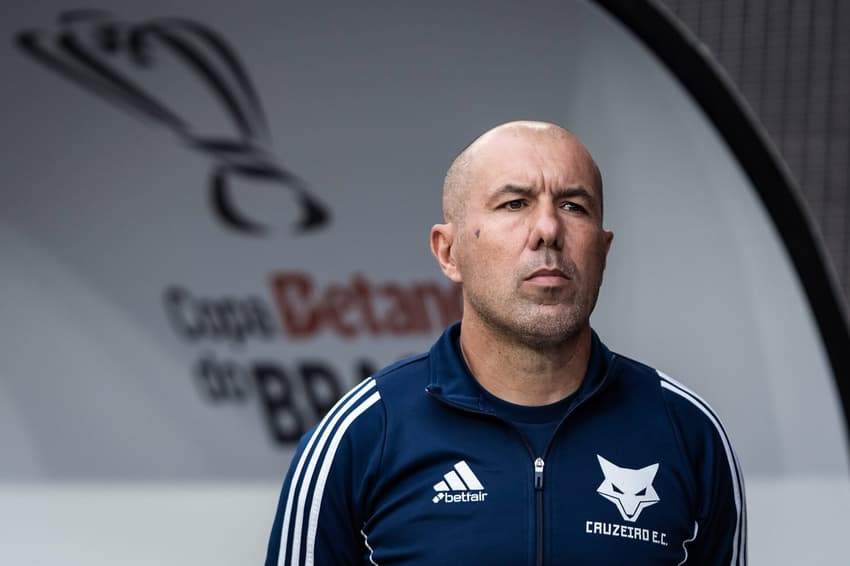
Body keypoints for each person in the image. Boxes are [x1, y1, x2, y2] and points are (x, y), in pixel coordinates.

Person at [265, 121, 746, 565]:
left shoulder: (688, 434)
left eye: (573, 206)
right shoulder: (363, 435)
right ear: (448, 252)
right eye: (514, 203)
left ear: (603, 250)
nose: (548, 230)